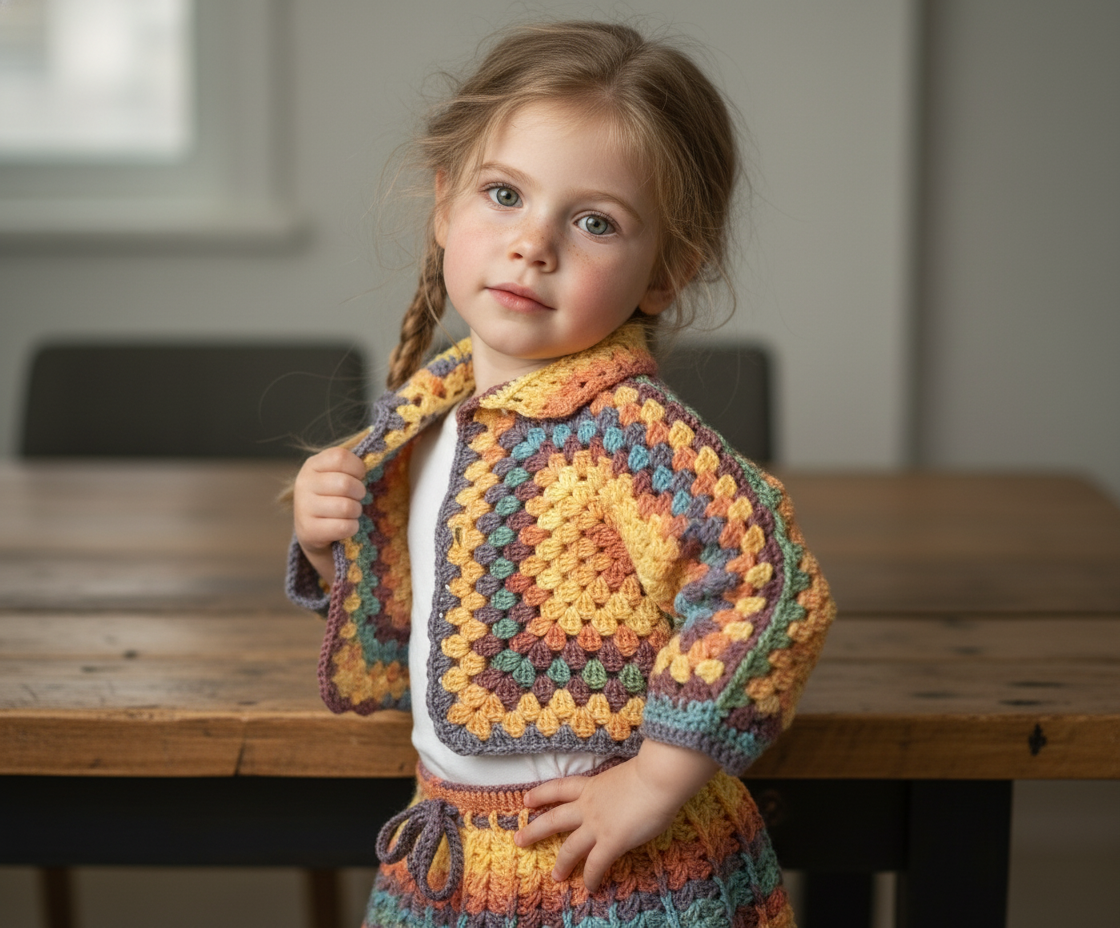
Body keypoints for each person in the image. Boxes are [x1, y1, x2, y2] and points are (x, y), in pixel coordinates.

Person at [286, 20, 834, 928]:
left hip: (616, 868)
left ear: (666, 272)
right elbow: (441, 593)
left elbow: (771, 587)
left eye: (593, 222)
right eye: (503, 194)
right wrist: (320, 532)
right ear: (442, 203)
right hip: (454, 846)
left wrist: (657, 779)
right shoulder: (430, 409)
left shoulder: (631, 433)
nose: (532, 244)